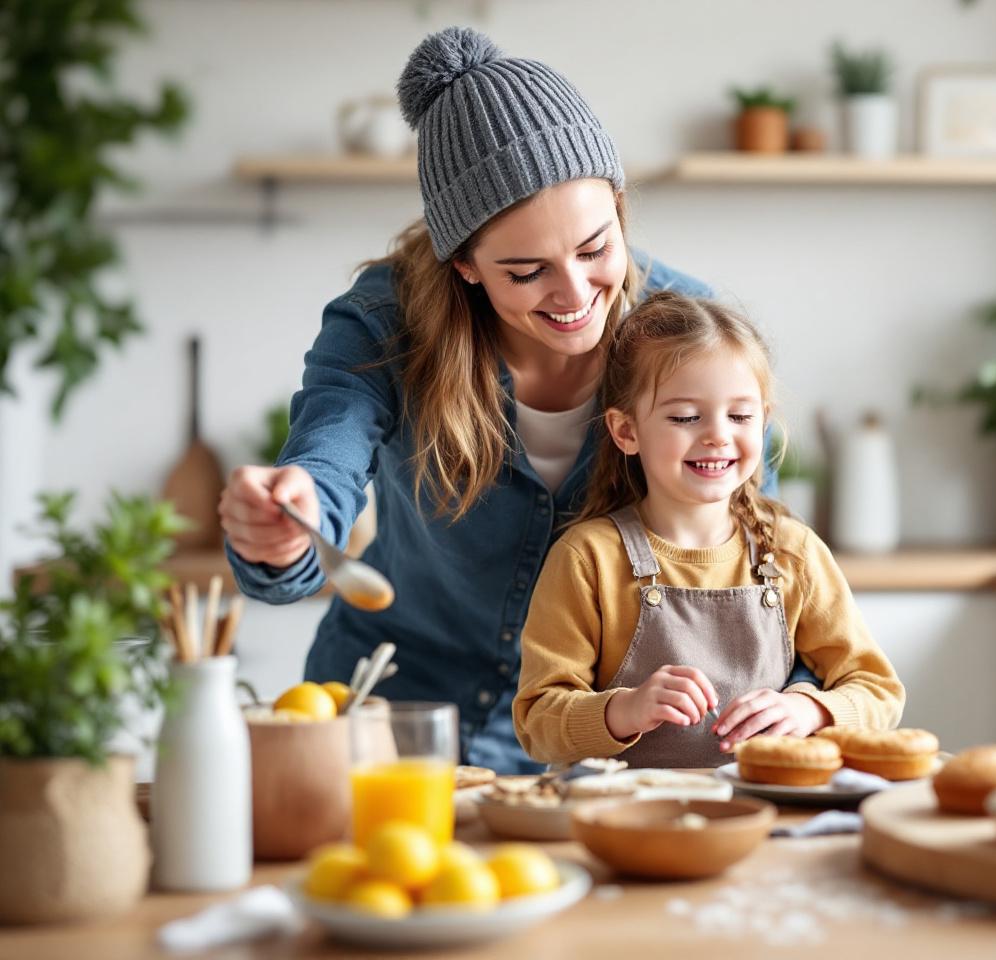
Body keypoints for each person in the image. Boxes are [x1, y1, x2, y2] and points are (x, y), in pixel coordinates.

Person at [218, 27, 811, 774]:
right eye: (527, 271)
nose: (575, 293)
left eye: (596, 248)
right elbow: (326, 458)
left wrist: (804, 695)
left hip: (593, 738)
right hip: (388, 714)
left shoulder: (686, 332)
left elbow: (761, 559)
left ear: (619, 208)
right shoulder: (384, 319)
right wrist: (288, 527)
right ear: (465, 264)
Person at [512, 293, 905, 768]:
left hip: (763, 806)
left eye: (740, 416)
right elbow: (538, 722)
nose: (718, 435)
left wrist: (810, 709)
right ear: (626, 431)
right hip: (624, 810)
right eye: (685, 417)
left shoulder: (792, 551)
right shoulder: (587, 558)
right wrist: (625, 710)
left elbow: (878, 691)